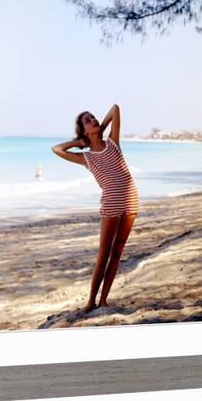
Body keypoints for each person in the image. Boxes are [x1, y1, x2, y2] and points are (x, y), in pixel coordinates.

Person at [51, 104, 140, 313]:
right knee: (104, 253)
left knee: (117, 252)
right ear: (84, 131)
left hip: (131, 199)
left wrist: (100, 127)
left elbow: (115, 109)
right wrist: (79, 142)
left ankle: (104, 301)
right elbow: (57, 150)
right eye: (87, 121)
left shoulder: (113, 143)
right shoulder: (86, 158)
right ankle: (91, 301)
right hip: (111, 203)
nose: (93, 120)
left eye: (93, 118)